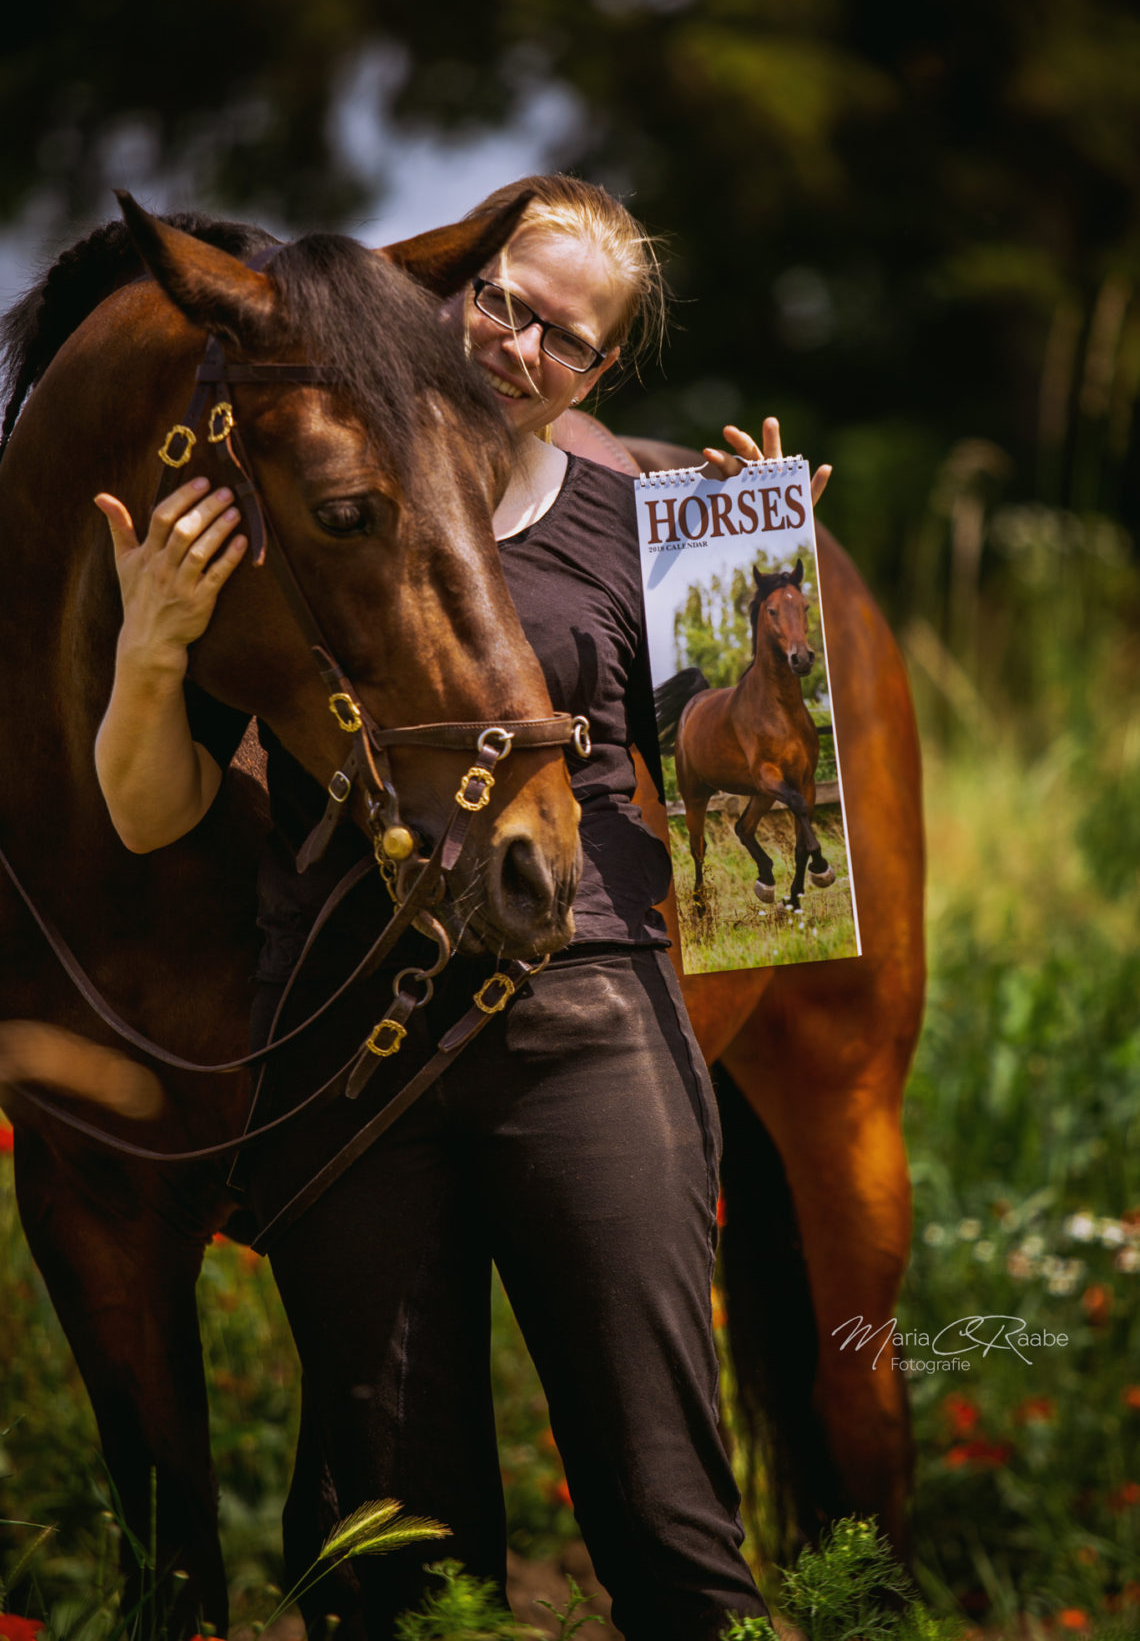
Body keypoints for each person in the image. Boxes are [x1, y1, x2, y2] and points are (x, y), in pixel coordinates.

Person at [94, 175, 828, 1641]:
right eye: (502, 302)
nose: (519, 345)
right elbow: (150, 811)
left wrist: (761, 608)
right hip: (348, 1043)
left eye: (566, 337)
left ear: (597, 376)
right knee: (396, 1550)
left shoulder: (653, 528)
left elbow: (762, 845)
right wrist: (153, 646)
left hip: (587, 1022)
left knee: (668, 1519)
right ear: (446, 298)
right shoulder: (299, 494)